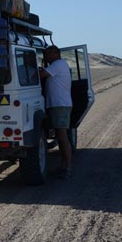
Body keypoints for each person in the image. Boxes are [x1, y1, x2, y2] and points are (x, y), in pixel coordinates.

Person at [39, 45, 73, 177]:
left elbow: (42, 75)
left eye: (47, 54)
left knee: (62, 137)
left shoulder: (58, 64)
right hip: (59, 105)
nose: (46, 57)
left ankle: (67, 167)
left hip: (60, 105)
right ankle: (64, 166)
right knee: (61, 136)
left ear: (55, 54)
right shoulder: (59, 64)